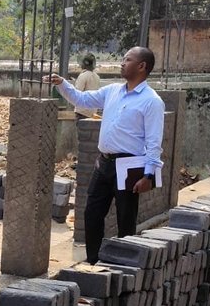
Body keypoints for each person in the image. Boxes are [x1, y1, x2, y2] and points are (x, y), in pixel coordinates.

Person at [45, 47, 165, 264]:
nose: (122, 63)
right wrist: (62, 83)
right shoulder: (112, 91)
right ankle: (93, 261)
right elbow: (81, 99)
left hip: (129, 166)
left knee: (125, 218)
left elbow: (154, 142)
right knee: (92, 213)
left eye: (127, 59)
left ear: (141, 66)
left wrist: (148, 176)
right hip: (104, 163)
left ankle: (124, 265)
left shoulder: (151, 101)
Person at [73, 53, 101, 119]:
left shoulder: (83, 75)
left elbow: (77, 92)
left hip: (82, 111)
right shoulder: (97, 77)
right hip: (93, 111)